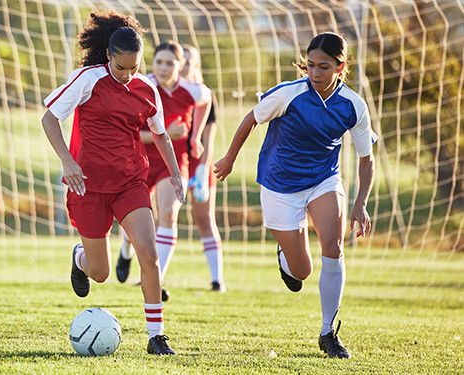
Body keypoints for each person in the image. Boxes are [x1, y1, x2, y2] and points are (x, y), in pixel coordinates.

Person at [214, 32, 376, 359]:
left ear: (340, 67)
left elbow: (366, 159)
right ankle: (286, 254)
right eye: (310, 65)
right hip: (279, 185)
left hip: (323, 180)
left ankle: (328, 332)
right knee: (301, 271)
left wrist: (360, 204)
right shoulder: (289, 94)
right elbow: (250, 119)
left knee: (333, 246)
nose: (315, 73)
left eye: (324, 67)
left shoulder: (353, 106)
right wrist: (229, 158)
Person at [41, 10, 184, 355]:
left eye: (134, 68)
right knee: (101, 273)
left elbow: (161, 136)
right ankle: (80, 259)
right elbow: (49, 118)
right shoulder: (86, 79)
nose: (127, 75)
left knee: (148, 253)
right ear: (108, 55)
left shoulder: (147, 89)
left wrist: (176, 173)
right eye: (121, 68)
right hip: (87, 185)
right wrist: (67, 159)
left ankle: (156, 336)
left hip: (129, 182)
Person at [115, 41, 212, 301]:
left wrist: (196, 136)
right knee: (132, 223)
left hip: (173, 160)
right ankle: (126, 249)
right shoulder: (141, 86)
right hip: (139, 161)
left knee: (168, 213)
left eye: (170, 63)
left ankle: (157, 279)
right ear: (152, 63)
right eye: (159, 62)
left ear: (180, 66)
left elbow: (207, 98)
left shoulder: (191, 91)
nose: (164, 67)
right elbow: (129, 132)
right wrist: (165, 133)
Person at [181, 44, 225, 293]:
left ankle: (217, 279)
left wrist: (202, 170)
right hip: (173, 163)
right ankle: (154, 274)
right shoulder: (167, 92)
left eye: (189, 61)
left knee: (204, 219)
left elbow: (209, 139)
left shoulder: (205, 95)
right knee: (161, 217)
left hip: (199, 165)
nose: (185, 65)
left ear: (196, 65)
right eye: (182, 60)